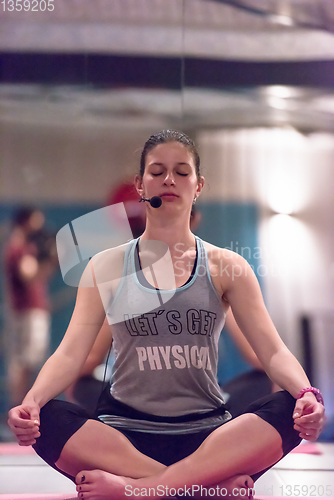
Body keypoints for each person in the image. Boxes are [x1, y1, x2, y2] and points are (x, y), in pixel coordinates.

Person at [8, 130, 325, 500]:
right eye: (157, 172)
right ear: (140, 185)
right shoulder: (104, 265)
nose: (169, 180)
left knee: (288, 408)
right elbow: (71, 353)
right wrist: (31, 401)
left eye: (181, 171)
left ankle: (138, 490)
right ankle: (202, 487)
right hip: (123, 436)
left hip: (207, 433)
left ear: (199, 185)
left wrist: (305, 393)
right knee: (46, 418)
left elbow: (272, 352)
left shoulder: (228, 266)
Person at [3, 206, 56, 407]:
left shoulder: (20, 246)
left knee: (25, 361)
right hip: (27, 312)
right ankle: (19, 408)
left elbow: (36, 277)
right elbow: (30, 276)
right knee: (25, 362)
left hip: (26, 311)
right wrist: (51, 258)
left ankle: (19, 408)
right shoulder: (19, 247)